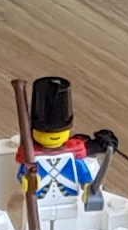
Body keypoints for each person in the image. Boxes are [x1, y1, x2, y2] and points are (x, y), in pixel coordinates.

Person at [16, 75, 117, 214]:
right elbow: (22, 173)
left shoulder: (72, 152)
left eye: (61, 131)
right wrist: (26, 181)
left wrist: (88, 185)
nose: (53, 135)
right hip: (40, 203)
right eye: (46, 132)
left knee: (67, 221)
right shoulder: (31, 157)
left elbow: (82, 170)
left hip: (68, 201)